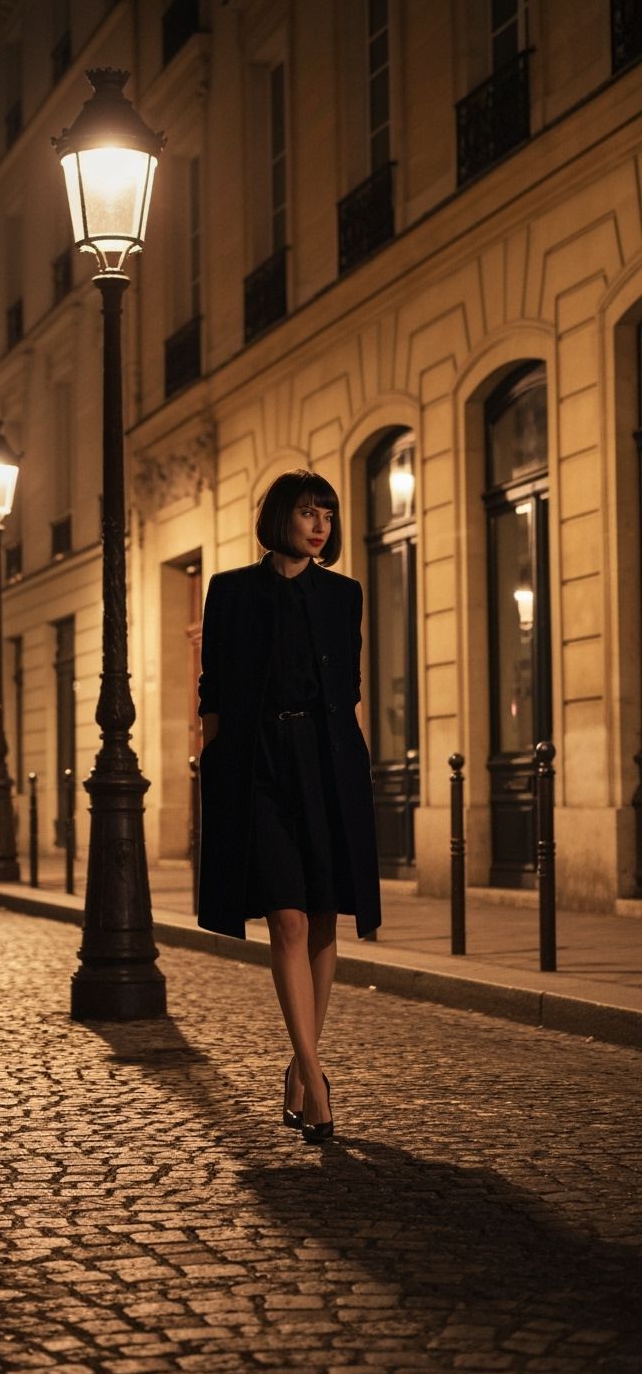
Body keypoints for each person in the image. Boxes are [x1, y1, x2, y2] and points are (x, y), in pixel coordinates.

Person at [197, 470, 381, 1143]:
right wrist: (218, 775)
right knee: (289, 920)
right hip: (261, 768)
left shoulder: (344, 595)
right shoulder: (230, 592)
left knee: (326, 915)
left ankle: (298, 1073)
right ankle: (315, 1075)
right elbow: (212, 693)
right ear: (281, 518)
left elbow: (350, 688)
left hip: (328, 764)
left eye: (327, 513)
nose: (320, 524)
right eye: (308, 512)